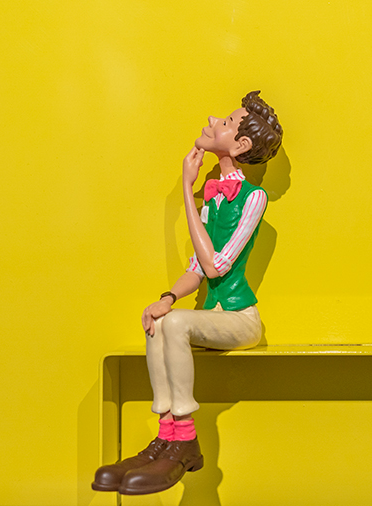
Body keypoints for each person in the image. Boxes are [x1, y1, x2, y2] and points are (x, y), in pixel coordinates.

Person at [93, 91, 283, 495]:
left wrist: (185, 188)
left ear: (240, 145)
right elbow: (196, 269)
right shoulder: (212, 199)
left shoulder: (254, 198)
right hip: (211, 315)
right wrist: (166, 298)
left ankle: (185, 440)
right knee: (162, 320)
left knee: (176, 324)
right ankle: (167, 435)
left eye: (226, 122)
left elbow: (216, 266)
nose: (214, 120)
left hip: (239, 318)